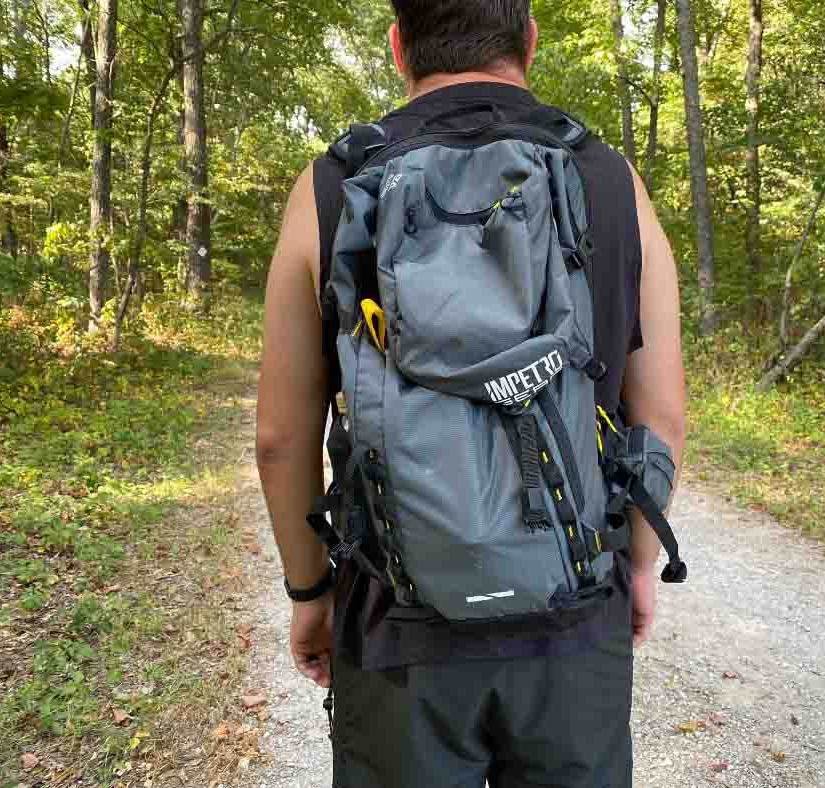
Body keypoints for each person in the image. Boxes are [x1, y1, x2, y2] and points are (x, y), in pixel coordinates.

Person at [255, 2, 686, 785]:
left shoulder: (332, 185)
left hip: (393, 626)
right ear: (529, 39)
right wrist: (638, 566)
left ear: (397, 47)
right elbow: (659, 415)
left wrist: (310, 591)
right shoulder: (609, 180)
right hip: (573, 607)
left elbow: (280, 437)